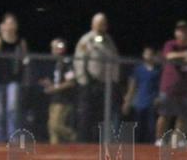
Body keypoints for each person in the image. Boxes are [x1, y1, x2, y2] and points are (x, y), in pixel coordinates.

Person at [0, 13, 29, 142]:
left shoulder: (20, 42)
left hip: (14, 80)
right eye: (8, 23)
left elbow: (25, 61)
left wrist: (25, 78)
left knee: (12, 108)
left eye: (13, 23)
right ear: (2, 26)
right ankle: (0, 139)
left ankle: (13, 138)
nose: (10, 26)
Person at [73, 12, 119, 142]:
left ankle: (98, 142)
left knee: (102, 116)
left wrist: (114, 81)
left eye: (103, 24)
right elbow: (79, 61)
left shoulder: (109, 41)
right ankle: (83, 142)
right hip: (89, 84)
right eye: (99, 24)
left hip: (105, 85)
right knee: (86, 115)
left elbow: (115, 61)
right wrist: (84, 81)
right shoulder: (86, 40)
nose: (101, 26)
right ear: (93, 25)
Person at [157, 20, 187, 146]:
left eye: (185, 30)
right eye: (180, 31)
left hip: (186, 88)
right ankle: (159, 140)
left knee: (183, 116)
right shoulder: (171, 44)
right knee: (164, 115)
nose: (183, 33)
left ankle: (178, 140)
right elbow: (168, 55)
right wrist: (185, 54)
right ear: (176, 33)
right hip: (169, 88)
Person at [40, 38, 78, 144]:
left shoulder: (66, 63)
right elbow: (58, 82)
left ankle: (74, 137)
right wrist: (49, 84)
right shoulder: (57, 63)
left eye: (55, 47)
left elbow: (71, 82)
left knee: (56, 125)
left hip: (63, 100)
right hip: (55, 99)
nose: (53, 50)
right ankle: (55, 150)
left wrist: (54, 88)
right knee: (51, 128)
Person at [121, 47, 160, 143]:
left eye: (150, 54)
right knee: (138, 126)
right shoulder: (138, 69)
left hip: (152, 102)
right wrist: (127, 101)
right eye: (146, 54)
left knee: (151, 127)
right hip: (139, 102)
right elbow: (132, 86)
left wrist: (159, 98)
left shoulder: (158, 70)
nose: (148, 56)